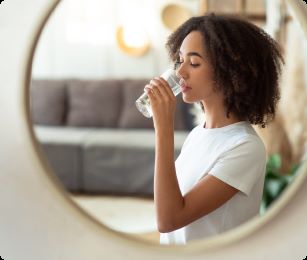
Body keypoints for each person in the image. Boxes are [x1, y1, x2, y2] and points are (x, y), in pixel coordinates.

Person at [144, 13, 285, 245]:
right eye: (180, 60)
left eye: (195, 63)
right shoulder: (198, 134)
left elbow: (169, 219)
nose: (180, 73)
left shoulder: (245, 147)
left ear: (230, 72)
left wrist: (164, 128)